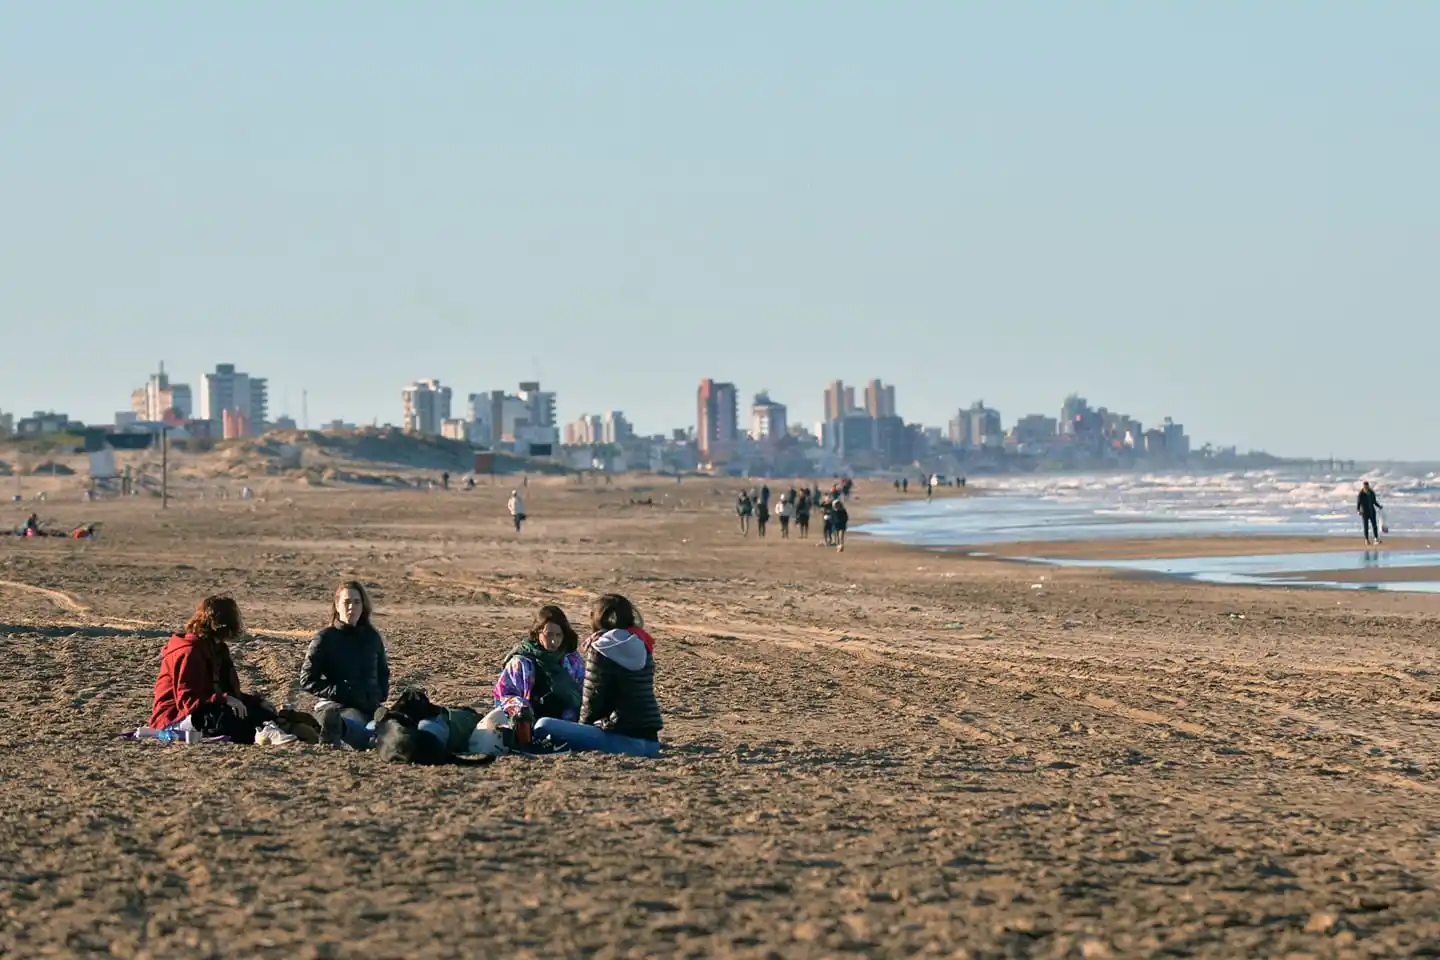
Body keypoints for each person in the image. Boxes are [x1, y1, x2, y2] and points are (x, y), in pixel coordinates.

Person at [534, 594, 662, 758]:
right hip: (652, 743)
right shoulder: (642, 644)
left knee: (543, 724)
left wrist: (581, 730)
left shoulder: (601, 648)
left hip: (623, 741)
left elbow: (592, 701)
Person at [149, 596, 274, 743]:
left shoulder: (218, 649)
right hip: (176, 718)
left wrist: (255, 702)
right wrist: (223, 699)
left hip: (208, 706)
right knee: (223, 719)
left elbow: (227, 693)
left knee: (260, 712)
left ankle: (267, 729)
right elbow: (187, 702)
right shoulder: (189, 652)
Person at [301, 581, 390, 748]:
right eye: (347, 602)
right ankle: (341, 731)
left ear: (363, 606)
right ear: (337, 605)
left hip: (370, 707)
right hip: (339, 707)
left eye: (357, 602)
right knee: (351, 723)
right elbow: (307, 680)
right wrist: (341, 691)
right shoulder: (325, 638)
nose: (352, 607)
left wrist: (380, 693)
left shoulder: (372, 637)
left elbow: (383, 672)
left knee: (386, 725)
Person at [494, 605, 586, 722]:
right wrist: (521, 708)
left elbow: (585, 692)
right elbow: (503, 696)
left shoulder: (571, 659)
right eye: (549, 634)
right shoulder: (521, 662)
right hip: (530, 724)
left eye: (558, 635)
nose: (553, 640)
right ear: (538, 632)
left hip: (567, 724)